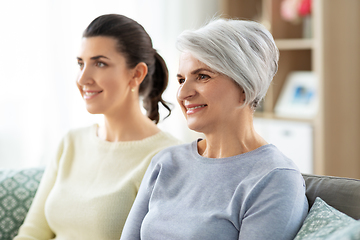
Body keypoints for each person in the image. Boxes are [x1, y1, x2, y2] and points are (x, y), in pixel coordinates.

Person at [120, 18, 309, 240]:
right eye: (181, 79)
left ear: (245, 88)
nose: (183, 93)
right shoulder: (166, 162)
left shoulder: (275, 180)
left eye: (202, 76)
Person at [15, 14, 181, 240]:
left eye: (100, 63)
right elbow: (32, 233)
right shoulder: (71, 142)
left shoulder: (168, 157)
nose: (83, 79)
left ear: (137, 74)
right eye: (80, 63)